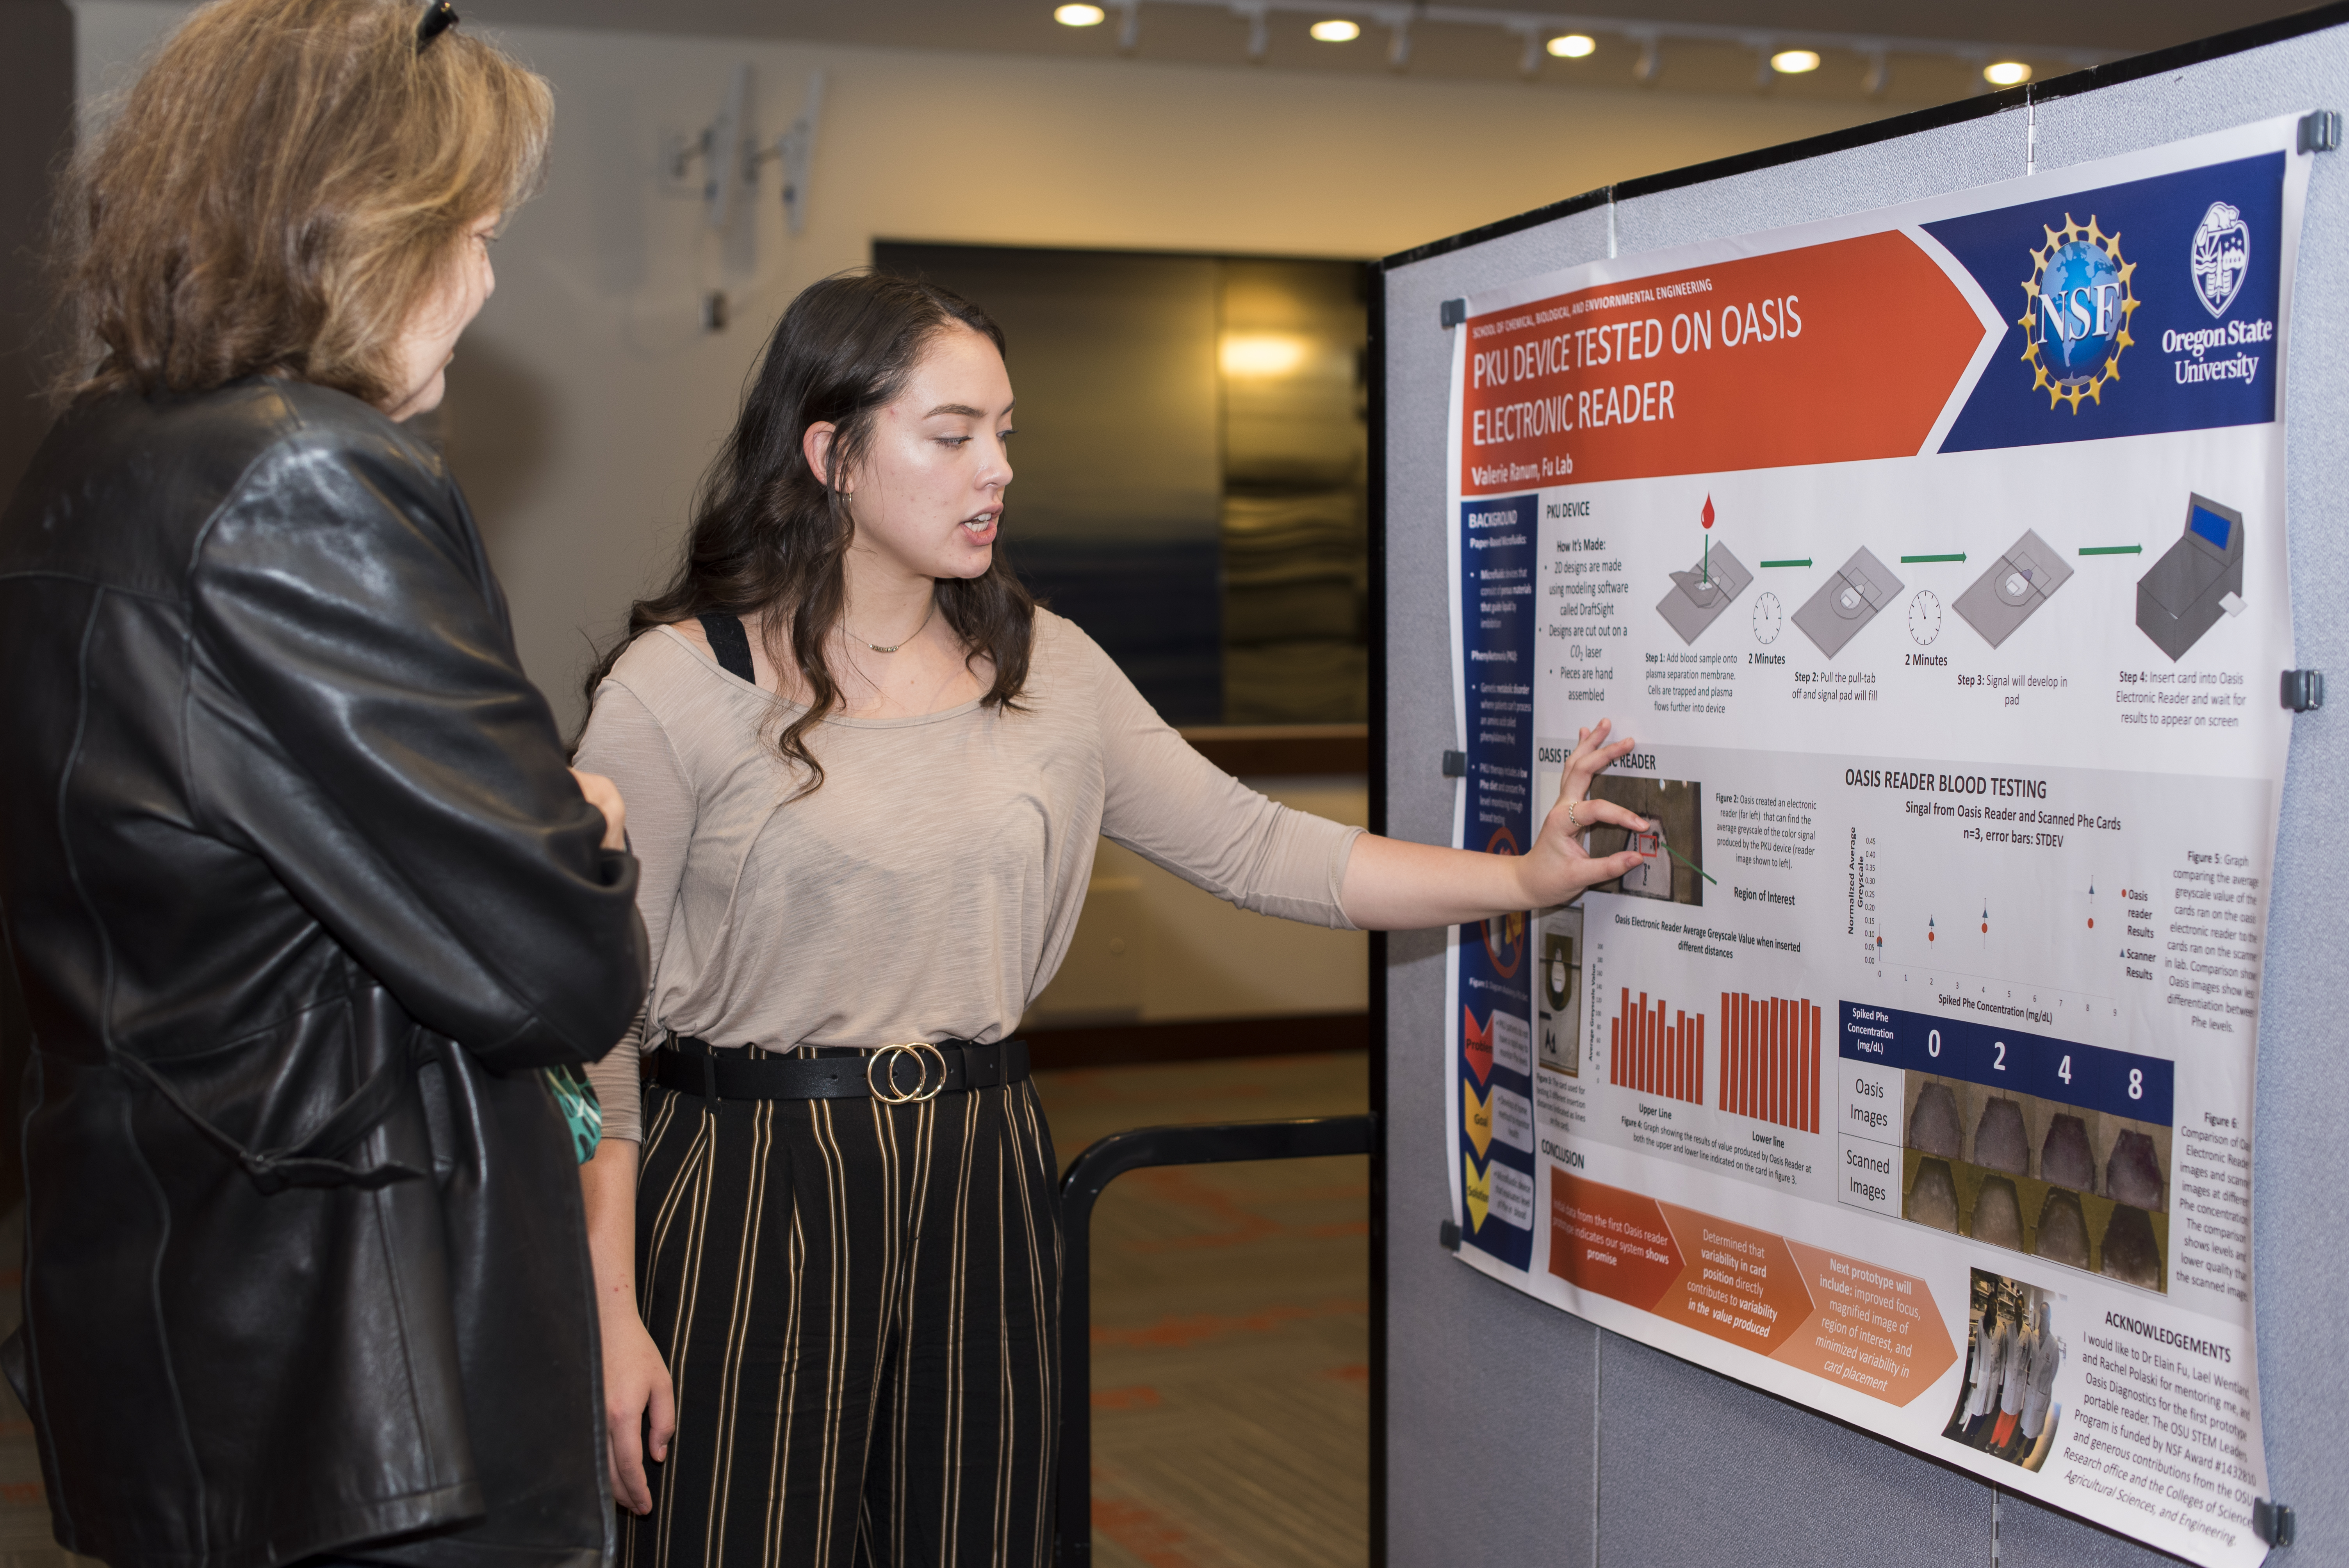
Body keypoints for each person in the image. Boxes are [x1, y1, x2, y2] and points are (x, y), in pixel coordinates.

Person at [571, 269, 1650, 1568]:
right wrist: (610, 1306)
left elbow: (1259, 847)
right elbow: (598, 1034)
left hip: (981, 1164)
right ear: (832, 454)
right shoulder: (679, 686)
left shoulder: (1047, 665)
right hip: (749, 1175)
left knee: (982, 1538)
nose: (996, 471)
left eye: (1007, 433)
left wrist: (1519, 882)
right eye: (953, 434)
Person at [0, 4, 647, 1566]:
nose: (486, 279)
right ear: (361, 221)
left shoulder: (92, 457)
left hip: (186, 1276)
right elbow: (557, 960)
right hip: (373, 1341)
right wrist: (592, 831)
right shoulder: (309, 476)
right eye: (472, 232)